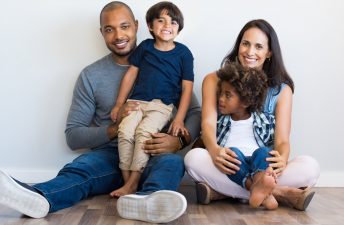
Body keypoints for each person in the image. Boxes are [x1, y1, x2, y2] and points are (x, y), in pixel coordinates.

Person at [0, 2, 201, 224]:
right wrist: (117, 127)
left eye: (124, 26)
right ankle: (39, 197)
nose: (118, 35)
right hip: (110, 156)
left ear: (136, 26)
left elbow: (193, 111)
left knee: (172, 164)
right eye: (109, 29)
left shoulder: (166, 61)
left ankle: (146, 201)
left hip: (153, 151)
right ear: (102, 33)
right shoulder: (91, 76)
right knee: (81, 168)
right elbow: (73, 136)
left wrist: (178, 141)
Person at [185, 19, 320, 211]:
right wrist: (215, 152)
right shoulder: (214, 80)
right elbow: (207, 124)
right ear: (238, 44)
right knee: (193, 158)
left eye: (259, 46)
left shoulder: (282, 90)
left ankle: (223, 192)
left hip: (263, 165)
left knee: (310, 167)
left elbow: (282, 140)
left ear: (269, 52)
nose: (250, 52)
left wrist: (282, 159)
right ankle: (282, 193)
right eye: (245, 43)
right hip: (227, 161)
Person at [109, 1, 194, 198]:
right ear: (150, 26)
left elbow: (187, 88)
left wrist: (179, 118)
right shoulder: (145, 47)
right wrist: (119, 104)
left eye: (173, 22)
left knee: (143, 132)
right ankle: (127, 182)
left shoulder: (183, 53)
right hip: (137, 102)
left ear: (179, 28)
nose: (167, 26)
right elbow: (130, 75)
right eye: (161, 21)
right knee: (125, 131)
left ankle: (133, 183)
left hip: (161, 106)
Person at [215, 61, 279, 209]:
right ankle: (260, 192)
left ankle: (259, 182)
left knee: (264, 152)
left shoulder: (264, 120)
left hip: (258, 164)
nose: (220, 99)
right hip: (236, 164)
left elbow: (274, 146)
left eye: (227, 95)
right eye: (220, 93)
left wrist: (276, 163)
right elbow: (207, 144)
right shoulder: (219, 122)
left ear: (245, 101)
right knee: (233, 153)